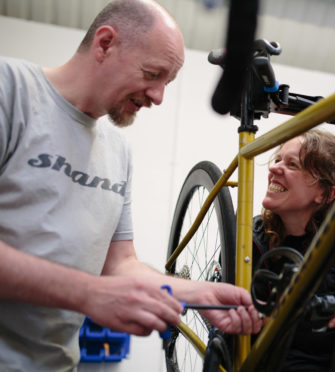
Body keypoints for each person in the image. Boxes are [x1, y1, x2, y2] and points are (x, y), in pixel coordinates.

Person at [0, 0, 262, 370]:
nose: (158, 97)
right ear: (105, 44)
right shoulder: (10, 91)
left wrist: (198, 294)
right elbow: (101, 286)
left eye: (167, 83)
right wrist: (90, 293)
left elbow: (121, 266)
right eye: (152, 74)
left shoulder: (117, 150)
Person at [252, 129, 335, 371]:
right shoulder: (249, 238)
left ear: (326, 193)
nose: (274, 168)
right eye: (278, 159)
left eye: (292, 164)